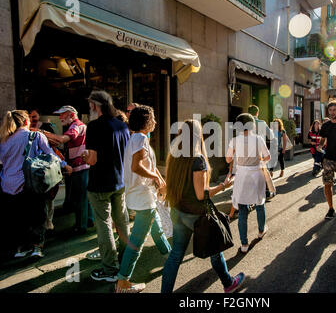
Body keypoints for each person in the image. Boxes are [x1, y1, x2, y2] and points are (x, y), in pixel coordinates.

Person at [162, 119, 244, 293]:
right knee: (216, 251)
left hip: (178, 211)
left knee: (175, 255)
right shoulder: (198, 159)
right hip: (197, 215)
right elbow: (202, 194)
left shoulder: (174, 154)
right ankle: (229, 284)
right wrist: (224, 185)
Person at [0, 110, 71, 258]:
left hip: (7, 185)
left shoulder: (4, 140)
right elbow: (50, 155)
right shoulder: (35, 135)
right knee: (37, 215)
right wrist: (65, 165)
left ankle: (21, 248)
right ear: (26, 122)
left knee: (18, 218)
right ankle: (37, 247)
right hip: (28, 183)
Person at [115, 105, 170, 293]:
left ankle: (171, 257)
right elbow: (136, 167)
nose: (155, 121)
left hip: (143, 195)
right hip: (143, 196)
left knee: (157, 229)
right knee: (137, 242)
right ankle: (123, 282)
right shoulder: (139, 138)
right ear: (146, 121)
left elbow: (148, 165)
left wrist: (160, 179)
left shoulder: (138, 138)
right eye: (153, 118)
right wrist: (156, 179)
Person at [82, 90, 131, 282]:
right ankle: (126, 261)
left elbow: (92, 160)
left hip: (100, 184)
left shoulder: (93, 126)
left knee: (104, 226)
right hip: (120, 182)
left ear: (95, 105)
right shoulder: (122, 125)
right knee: (122, 223)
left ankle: (110, 269)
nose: (90, 108)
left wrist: (85, 156)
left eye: (90, 105)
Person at [42, 105, 94, 234]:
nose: (60, 117)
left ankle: (80, 226)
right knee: (85, 197)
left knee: (80, 198)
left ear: (71, 114)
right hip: (83, 166)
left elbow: (62, 140)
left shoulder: (76, 126)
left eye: (62, 114)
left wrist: (43, 134)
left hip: (80, 167)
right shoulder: (78, 125)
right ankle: (88, 220)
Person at [226, 113, 270, 253]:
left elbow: (228, 159)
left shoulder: (234, 140)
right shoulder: (258, 139)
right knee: (260, 204)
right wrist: (260, 162)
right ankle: (261, 231)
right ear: (252, 125)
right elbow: (267, 156)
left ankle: (244, 245)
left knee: (243, 210)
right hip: (256, 174)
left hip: (242, 175)